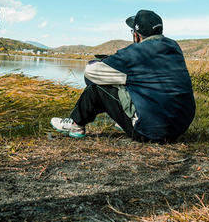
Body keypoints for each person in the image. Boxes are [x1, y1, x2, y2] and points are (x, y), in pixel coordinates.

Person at [51, 10, 196, 142]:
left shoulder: (136, 51)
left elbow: (90, 74)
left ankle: (76, 124)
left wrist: (116, 68)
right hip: (178, 129)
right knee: (136, 85)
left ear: (137, 35)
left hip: (149, 132)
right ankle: (122, 121)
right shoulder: (174, 47)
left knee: (96, 89)